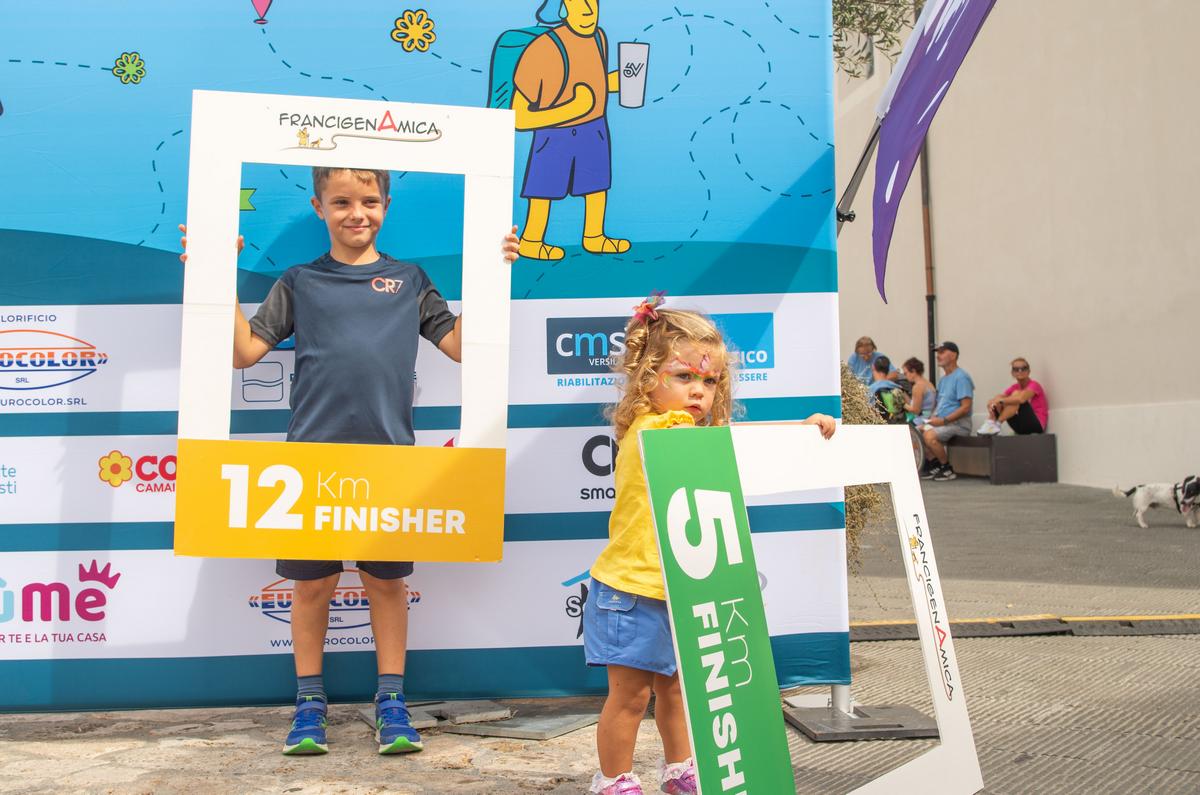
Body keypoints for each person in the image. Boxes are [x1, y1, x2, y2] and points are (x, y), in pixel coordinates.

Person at [180, 168, 519, 757]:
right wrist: (212, 274)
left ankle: (392, 702)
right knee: (312, 587)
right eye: (341, 202)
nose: (356, 213)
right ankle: (309, 705)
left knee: (387, 584)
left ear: (386, 204)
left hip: (390, 463)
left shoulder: (410, 279)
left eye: (368, 201)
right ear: (319, 207)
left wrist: (494, 275)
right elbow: (243, 352)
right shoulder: (300, 280)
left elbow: (463, 347)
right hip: (309, 464)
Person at [583, 296, 835, 794]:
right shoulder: (657, 428)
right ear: (647, 377)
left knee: (679, 692)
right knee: (630, 699)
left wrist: (801, 431)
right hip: (632, 591)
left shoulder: (692, 433)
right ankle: (611, 780)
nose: (699, 390)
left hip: (680, 590)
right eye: (684, 377)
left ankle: (679, 770)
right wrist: (794, 432)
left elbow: (725, 441)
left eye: (710, 381)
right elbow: (732, 443)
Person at [512, 0, 630, 260]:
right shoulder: (544, 48)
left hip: (594, 128)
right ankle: (531, 240)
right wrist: (573, 109)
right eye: (577, 2)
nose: (588, 10)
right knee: (544, 186)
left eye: (592, 1)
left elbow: (594, 80)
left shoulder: (598, 38)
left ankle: (594, 236)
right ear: (562, 8)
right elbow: (519, 117)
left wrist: (619, 81)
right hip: (555, 133)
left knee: (596, 183)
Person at [920, 341, 974, 482]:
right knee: (918, 432)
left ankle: (947, 468)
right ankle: (935, 464)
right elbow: (939, 405)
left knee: (929, 436)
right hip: (942, 422)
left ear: (954, 355)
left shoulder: (961, 377)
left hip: (958, 424)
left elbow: (966, 407)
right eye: (938, 352)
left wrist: (944, 421)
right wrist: (928, 421)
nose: (938, 355)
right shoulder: (943, 380)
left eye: (942, 352)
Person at [978, 357, 1048, 435]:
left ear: (1028, 371)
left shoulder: (1034, 385)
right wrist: (992, 402)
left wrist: (1000, 401)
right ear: (1012, 373)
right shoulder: (1014, 387)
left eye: (1023, 368)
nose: (1020, 371)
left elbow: (1021, 399)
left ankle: (997, 424)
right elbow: (1000, 397)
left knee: (1015, 396)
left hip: (1037, 425)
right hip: (1020, 427)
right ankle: (991, 422)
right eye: (1016, 369)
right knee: (1002, 399)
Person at [868, 356, 905, 423]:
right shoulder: (898, 387)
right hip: (897, 424)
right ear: (888, 369)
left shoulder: (870, 389)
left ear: (873, 367)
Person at [901, 356, 937, 425]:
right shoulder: (928, 383)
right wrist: (903, 393)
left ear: (913, 371)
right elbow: (914, 404)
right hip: (928, 418)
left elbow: (915, 410)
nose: (905, 376)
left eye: (906, 373)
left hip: (920, 421)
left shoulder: (918, 387)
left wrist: (901, 404)